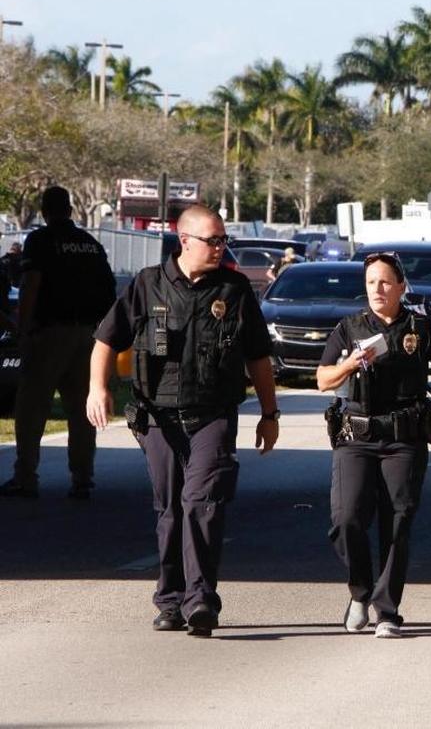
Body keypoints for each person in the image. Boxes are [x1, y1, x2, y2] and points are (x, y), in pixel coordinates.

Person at [86, 204, 280, 637]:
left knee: (202, 503)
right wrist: (97, 388)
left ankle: (201, 600)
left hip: (213, 414)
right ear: (184, 241)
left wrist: (269, 413)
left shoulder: (234, 290)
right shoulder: (147, 285)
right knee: (170, 509)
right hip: (157, 418)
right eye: (213, 240)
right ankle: (170, 600)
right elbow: (104, 340)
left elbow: (257, 356)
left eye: (223, 239)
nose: (220, 247)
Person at [315, 251, 431, 638]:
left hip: (403, 438)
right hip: (356, 436)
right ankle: (360, 592)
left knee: (397, 522)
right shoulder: (350, 327)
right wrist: (350, 365)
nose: (378, 289)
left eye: (386, 281)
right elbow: (323, 380)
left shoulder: (418, 329)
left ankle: (386, 611)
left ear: (402, 287)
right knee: (346, 519)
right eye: (371, 282)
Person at [0, 187, 116, 500]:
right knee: (80, 409)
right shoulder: (90, 244)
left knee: (32, 406)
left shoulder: (39, 241)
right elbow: (109, 291)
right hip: (89, 337)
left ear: (45, 210)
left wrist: (23, 330)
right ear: (69, 209)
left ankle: (25, 477)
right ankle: (82, 478)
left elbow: (31, 285)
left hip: (50, 334)